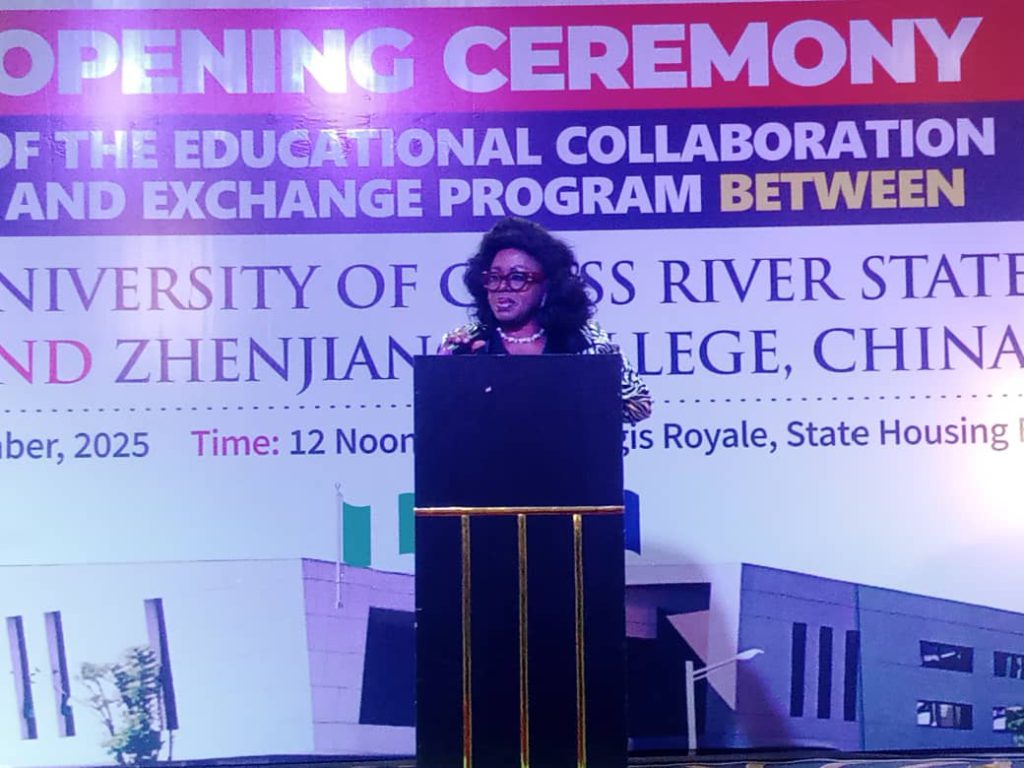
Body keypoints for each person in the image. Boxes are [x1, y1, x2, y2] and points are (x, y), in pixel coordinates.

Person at [438, 216, 653, 425]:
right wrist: (458, 371)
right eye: (494, 278)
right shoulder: (466, 341)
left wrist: (576, 401)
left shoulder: (584, 338)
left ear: (547, 285)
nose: (502, 287)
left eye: (517, 277)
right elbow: (438, 413)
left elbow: (639, 405)